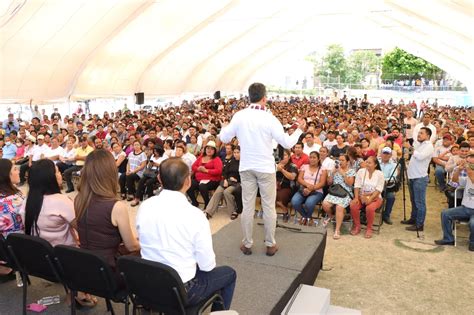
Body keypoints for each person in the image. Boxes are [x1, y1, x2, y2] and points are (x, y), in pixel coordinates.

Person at [136, 158, 236, 311]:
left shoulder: (145, 206)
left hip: (147, 283)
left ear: (159, 179)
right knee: (229, 274)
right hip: (182, 289)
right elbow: (207, 265)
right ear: (188, 180)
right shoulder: (195, 215)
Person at [219, 82, 305, 256]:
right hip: (266, 168)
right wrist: (299, 130)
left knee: (248, 206)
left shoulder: (239, 116)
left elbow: (224, 137)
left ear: (248, 97)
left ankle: (247, 244)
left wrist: (223, 126)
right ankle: (270, 244)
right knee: (268, 207)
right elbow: (287, 143)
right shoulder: (269, 118)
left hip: (246, 167)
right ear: (264, 98)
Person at [75, 150, 140, 268]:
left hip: (85, 263)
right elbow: (131, 246)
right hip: (108, 269)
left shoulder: (78, 199)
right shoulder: (116, 206)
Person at [22, 159, 77, 247]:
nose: (60, 175)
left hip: (40, 252)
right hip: (63, 253)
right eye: (58, 172)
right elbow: (80, 228)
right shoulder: (62, 201)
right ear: (50, 178)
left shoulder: (26, 200)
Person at [435, 153, 474, 251]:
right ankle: (448, 238)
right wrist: (458, 170)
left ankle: (472, 242)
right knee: (445, 213)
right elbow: (454, 182)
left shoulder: (471, 175)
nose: (468, 164)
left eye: (470, 163)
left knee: (473, 223)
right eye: (468, 162)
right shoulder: (468, 176)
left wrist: (467, 167)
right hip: (466, 208)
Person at [402, 127, 434, 231]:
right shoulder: (419, 144)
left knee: (420, 202)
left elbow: (420, 157)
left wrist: (410, 148)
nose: (419, 135)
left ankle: (419, 224)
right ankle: (413, 218)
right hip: (412, 176)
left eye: (421, 133)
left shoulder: (429, 146)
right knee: (413, 200)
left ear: (428, 136)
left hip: (420, 178)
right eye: (418, 133)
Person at [0, 159, 24, 282]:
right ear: (6, 175)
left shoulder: (15, 196)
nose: (18, 171)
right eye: (15, 169)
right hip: (15, 247)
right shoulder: (15, 199)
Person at [350, 156, 385, 238]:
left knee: (370, 208)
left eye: (369, 162)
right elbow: (356, 186)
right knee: (353, 205)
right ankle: (357, 226)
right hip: (361, 196)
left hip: (375, 197)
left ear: (375, 165)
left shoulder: (380, 174)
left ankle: (369, 228)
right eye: (366, 162)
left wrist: (371, 198)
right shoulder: (361, 171)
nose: (367, 164)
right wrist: (356, 198)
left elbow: (379, 189)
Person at [321, 155, 356, 239]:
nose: (340, 162)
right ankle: (331, 216)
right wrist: (332, 172)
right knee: (325, 204)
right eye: (339, 160)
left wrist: (343, 173)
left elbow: (350, 183)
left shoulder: (351, 171)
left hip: (345, 193)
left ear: (347, 162)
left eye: (342, 160)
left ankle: (337, 230)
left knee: (339, 207)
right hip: (335, 192)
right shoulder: (335, 170)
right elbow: (329, 182)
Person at [205, 146, 241, 219]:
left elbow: (246, 175)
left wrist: (236, 179)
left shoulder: (244, 163)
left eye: (238, 153)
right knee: (218, 192)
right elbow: (224, 171)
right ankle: (208, 211)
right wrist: (225, 179)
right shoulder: (231, 160)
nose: (236, 154)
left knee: (227, 192)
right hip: (227, 181)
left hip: (237, 183)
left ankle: (233, 211)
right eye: (234, 152)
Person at [291, 151, 326, 225]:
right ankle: (306, 217)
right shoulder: (304, 167)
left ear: (318, 159)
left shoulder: (322, 169)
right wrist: (307, 186)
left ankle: (306, 218)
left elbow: (322, 183)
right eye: (310, 157)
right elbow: (299, 179)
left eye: (314, 157)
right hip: (303, 189)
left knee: (309, 203)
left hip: (316, 191)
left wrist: (311, 189)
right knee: (294, 202)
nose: (312, 159)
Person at [187, 141, 223, 208]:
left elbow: (219, 171)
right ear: (205, 149)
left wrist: (206, 170)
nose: (209, 150)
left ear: (214, 151)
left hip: (212, 180)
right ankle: (194, 202)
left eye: (212, 149)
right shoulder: (201, 157)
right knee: (188, 183)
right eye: (208, 148)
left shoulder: (216, 159)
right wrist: (199, 169)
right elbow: (193, 166)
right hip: (199, 179)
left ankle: (207, 204)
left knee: (202, 186)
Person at [276, 149, 298, 222]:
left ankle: (285, 211)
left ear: (289, 157)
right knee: (267, 193)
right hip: (274, 185)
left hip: (288, 187)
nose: (282, 156)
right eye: (281, 155)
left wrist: (282, 170)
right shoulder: (274, 164)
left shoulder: (293, 166)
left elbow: (292, 177)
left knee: (280, 196)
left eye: (285, 155)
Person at [379, 147, 398, 225]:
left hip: (387, 186)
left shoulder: (394, 165)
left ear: (390, 155)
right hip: (375, 186)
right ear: (381, 154)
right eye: (384, 153)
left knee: (391, 197)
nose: (385, 155)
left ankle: (386, 215)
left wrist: (383, 180)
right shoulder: (376, 162)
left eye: (388, 154)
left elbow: (393, 177)